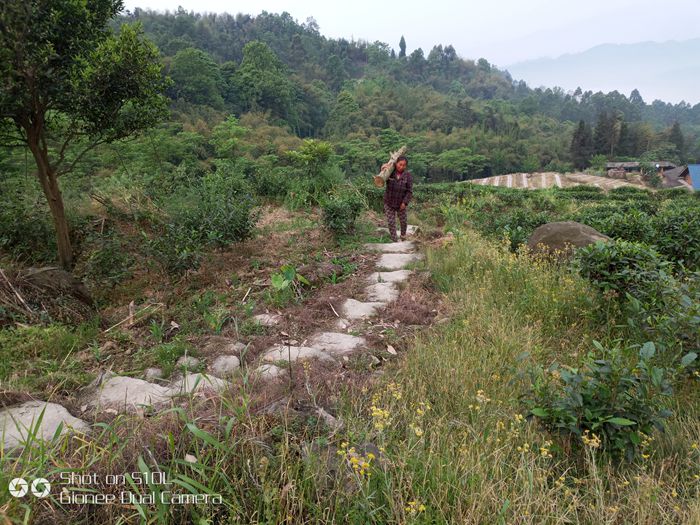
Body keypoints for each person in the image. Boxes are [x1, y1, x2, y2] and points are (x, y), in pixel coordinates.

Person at [381, 155, 413, 242]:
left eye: (404, 165)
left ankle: (403, 237)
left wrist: (404, 203)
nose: (401, 167)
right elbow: (381, 179)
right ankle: (394, 240)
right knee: (391, 222)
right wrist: (383, 168)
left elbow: (409, 191)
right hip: (389, 202)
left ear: (406, 166)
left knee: (403, 222)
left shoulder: (408, 176)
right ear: (396, 164)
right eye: (400, 164)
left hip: (401, 203)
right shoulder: (390, 172)